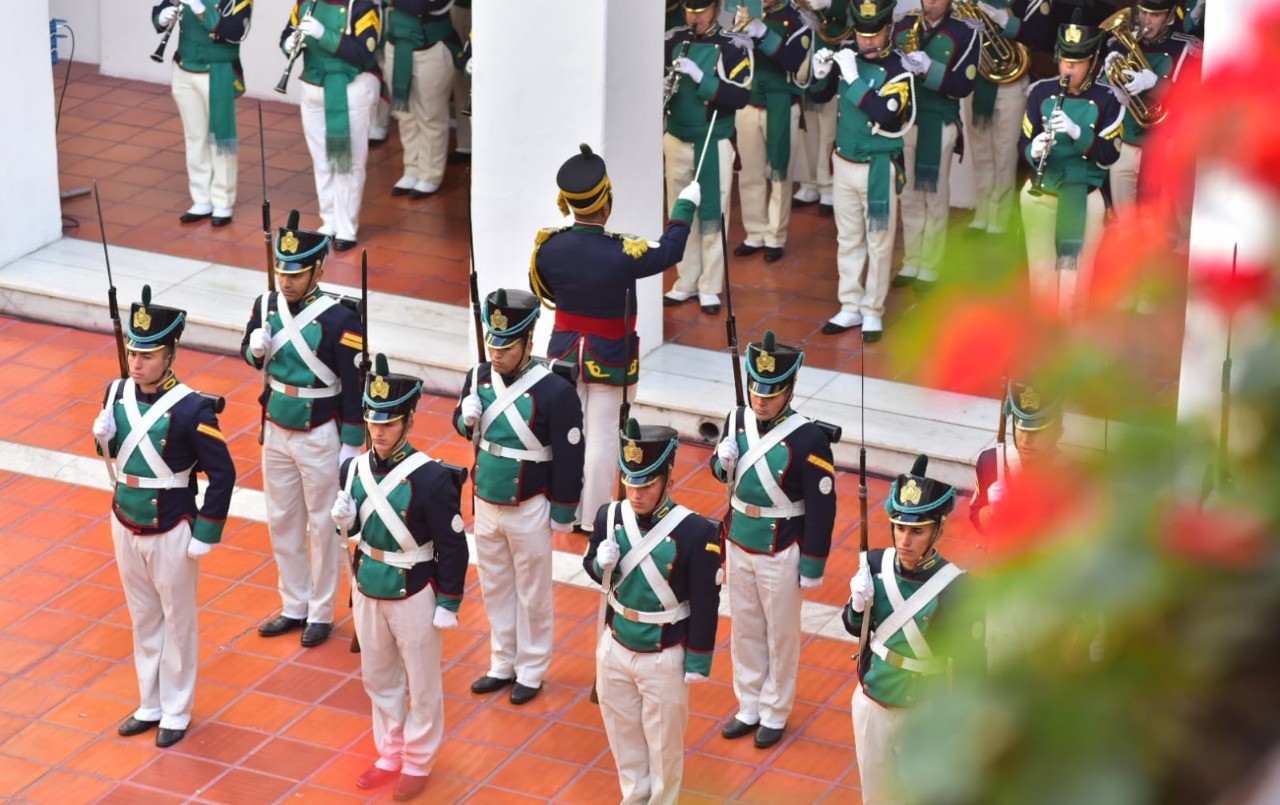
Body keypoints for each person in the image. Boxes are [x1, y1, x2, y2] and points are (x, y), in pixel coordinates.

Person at [92, 286, 235, 748]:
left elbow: (223, 472)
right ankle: (149, 702)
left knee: (177, 621)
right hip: (124, 515)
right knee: (142, 615)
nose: (136, 362)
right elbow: (116, 455)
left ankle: (177, 708)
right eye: (133, 352)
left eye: (148, 354)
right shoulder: (116, 392)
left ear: (170, 354)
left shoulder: (194, 408)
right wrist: (102, 439)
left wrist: (206, 532)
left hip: (172, 524)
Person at [529, 143, 699, 531]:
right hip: (610, 357)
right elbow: (670, 250)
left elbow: (546, 290)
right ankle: (592, 518)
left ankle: (564, 510)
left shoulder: (548, 247)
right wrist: (684, 208)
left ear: (569, 203)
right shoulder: (623, 252)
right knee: (604, 439)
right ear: (605, 201)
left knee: (569, 434)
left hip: (565, 354)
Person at [330, 356, 469, 802]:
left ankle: (418, 759)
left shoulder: (430, 478)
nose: (379, 431)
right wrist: (344, 524)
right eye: (373, 421)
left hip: (413, 590)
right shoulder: (353, 469)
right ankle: (390, 753)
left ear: (408, 421)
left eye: (388, 422)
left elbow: (452, 547)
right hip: (368, 584)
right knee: (378, 677)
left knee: (422, 681)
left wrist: (448, 602)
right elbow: (355, 531)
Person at [454, 289, 585, 706]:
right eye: (492, 342)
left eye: (506, 345)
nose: (496, 353)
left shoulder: (555, 391)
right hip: (487, 498)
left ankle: (531, 667)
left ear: (529, 343)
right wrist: (464, 418)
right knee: (494, 586)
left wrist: (563, 512)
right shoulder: (477, 378)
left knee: (532, 591)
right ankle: (501, 661)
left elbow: (569, 454)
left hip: (531, 503)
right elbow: (466, 426)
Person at [241, 210, 365, 648]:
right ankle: (293, 602)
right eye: (281, 272)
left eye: (296, 273)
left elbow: (354, 383)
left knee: (322, 523)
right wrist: (257, 351)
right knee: (281, 518)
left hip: (319, 430)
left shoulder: (339, 319)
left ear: (318, 269)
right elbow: (249, 351)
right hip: (276, 423)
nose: (286, 281)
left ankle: (321, 610)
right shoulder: (265, 306)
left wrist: (352, 442)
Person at [584, 418, 722, 805]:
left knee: (663, 748)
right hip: (615, 642)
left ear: (666, 478)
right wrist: (600, 564)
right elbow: (593, 566)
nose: (636, 493)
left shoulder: (696, 532)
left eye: (646, 483)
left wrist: (698, 661)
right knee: (622, 736)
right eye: (630, 482)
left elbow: (706, 603)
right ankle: (633, 796)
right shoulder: (609, 517)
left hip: (664, 652)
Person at [711, 330, 836, 748]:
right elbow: (727, 475)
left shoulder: (808, 438)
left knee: (780, 633)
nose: (760, 399)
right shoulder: (736, 419)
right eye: (755, 390)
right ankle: (748, 703)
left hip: (782, 543)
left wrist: (813, 563)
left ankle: (775, 710)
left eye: (771, 392)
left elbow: (821, 505)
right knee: (744, 626)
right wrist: (719, 461)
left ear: (789, 389)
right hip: (740, 535)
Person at [844, 453, 984, 805]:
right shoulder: (875, 563)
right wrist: (857, 605)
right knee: (874, 794)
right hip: (872, 697)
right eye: (899, 527)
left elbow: (971, 666)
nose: (905, 540)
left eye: (917, 531)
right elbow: (854, 627)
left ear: (938, 529)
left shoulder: (957, 587)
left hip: (922, 708)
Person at [809, 0, 916, 340]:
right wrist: (821, 74)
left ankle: (873, 310)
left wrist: (854, 79)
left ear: (888, 30)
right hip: (844, 164)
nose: (867, 41)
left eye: (875, 34)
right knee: (848, 238)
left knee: (879, 243)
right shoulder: (847, 56)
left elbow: (886, 114)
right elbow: (822, 96)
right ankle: (850, 306)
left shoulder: (900, 68)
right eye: (861, 34)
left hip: (878, 167)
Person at [1018, 11, 1124, 319]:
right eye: (1065, 60)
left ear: (1092, 62)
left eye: (1077, 62)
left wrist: (1079, 134)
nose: (1069, 68)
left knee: (1075, 284)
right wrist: (1033, 151)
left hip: (1082, 194)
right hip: (1041, 192)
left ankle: (1067, 345)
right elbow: (1023, 142)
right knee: (1040, 278)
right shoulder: (1040, 91)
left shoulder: (1108, 98)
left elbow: (1110, 154)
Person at [661, 0, 754, 316]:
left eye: (700, 11)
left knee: (713, 213)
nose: (693, 17)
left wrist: (702, 78)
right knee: (679, 210)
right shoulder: (673, 40)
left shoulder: (733, 46)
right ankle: (685, 280)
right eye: (689, 10)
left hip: (712, 139)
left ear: (715, 9)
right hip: (677, 137)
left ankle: (710, 286)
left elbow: (741, 96)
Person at [889, 0, 978, 290]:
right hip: (907, 119)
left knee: (935, 197)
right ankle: (912, 260)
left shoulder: (965, 31)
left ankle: (931, 265)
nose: (931, 3)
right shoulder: (903, 25)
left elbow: (964, 86)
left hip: (938, 121)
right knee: (910, 195)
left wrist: (929, 69)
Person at [280, 0, 382, 251]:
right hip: (313, 87)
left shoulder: (362, 6)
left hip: (349, 88)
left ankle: (346, 227)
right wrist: (289, 43)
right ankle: (329, 220)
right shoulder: (305, 2)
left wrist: (323, 34)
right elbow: (287, 32)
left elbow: (363, 51)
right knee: (322, 160)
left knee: (348, 162)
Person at [151, 0, 253, 227]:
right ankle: (201, 198)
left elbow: (236, 31)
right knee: (195, 137)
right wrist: (162, 17)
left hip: (217, 70)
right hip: (185, 67)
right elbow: (161, 8)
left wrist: (199, 9)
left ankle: (223, 200)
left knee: (221, 138)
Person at [1097, 0, 1201, 210]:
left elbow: (1189, 98)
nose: (1146, 20)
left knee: (1160, 218)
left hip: (1163, 143)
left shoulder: (1185, 47)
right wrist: (1112, 83)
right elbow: (1100, 93)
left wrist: (1153, 83)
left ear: (1169, 16)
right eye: (1143, 13)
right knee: (1123, 215)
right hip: (1127, 140)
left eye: (1155, 15)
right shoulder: (1121, 43)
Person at [732, 0, 813, 264]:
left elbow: (792, 60)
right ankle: (754, 232)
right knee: (749, 173)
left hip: (781, 103)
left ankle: (775, 236)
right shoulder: (748, 12)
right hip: (749, 100)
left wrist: (763, 34)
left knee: (780, 174)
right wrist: (739, 33)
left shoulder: (798, 19)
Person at [966, 1, 1053, 236]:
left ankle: (999, 217)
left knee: (1005, 154)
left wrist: (1007, 22)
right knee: (981, 153)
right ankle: (982, 212)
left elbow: (1041, 35)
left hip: (1011, 84)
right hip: (979, 81)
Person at [383, 0, 464, 199]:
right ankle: (412, 170)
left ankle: (430, 175)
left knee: (431, 117)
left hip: (430, 49)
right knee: (405, 115)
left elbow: (421, 6)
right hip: (397, 47)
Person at [970, 380, 1066, 535]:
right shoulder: (992, 461)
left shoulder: (1072, 476)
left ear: (1057, 432)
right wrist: (993, 511)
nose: (1026, 439)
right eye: (1021, 428)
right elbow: (977, 520)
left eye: (1037, 431)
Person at [792, 0, 854, 216]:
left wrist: (830, 4)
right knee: (806, 129)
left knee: (829, 130)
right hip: (806, 49)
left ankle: (827, 185)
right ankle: (809, 183)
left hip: (832, 47)